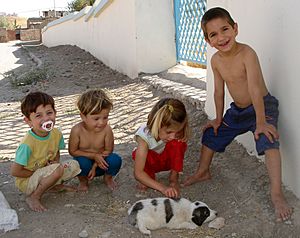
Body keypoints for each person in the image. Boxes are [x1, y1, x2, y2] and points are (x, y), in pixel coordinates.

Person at [183, 7, 293, 221]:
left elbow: (254, 89)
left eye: (225, 29)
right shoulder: (216, 61)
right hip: (239, 111)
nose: (221, 37)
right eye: (213, 34)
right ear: (207, 40)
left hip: (262, 105)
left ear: (235, 29)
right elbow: (218, 91)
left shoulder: (247, 53)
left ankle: (276, 193)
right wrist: (217, 118)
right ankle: (203, 171)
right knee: (211, 134)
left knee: (267, 139)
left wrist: (260, 122)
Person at [10, 92, 81, 212]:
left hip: (45, 171)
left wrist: (55, 163)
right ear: (28, 121)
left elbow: (56, 152)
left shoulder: (56, 133)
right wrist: (41, 172)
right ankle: (34, 196)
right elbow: (15, 171)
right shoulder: (27, 144)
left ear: (55, 113)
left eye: (49, 113)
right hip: (27, 181)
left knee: (74, 165)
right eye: (38, 116)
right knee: (57, 169)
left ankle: (52, 185)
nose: (46, 118)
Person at [132, 98, 189, 198]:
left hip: (167, 161)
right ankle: (149, 178)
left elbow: (178, 146)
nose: (172, 136)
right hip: (152, 163)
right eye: (169, 132)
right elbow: (138, 173)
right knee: (138, 156)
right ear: (156, 126)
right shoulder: (143, 138)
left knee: (178, 143)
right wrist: (163, 188)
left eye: (177, 131)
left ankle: (173, 177)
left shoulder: (174, 134)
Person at [69, 89, 122, 192]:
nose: (101, 122)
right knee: (80, 163)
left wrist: (95, 165)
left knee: (115, 160)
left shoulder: (107, 130)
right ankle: (83, 181)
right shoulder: (77, 130)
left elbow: (108, 151)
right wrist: (94, 156)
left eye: (105, 117)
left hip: (102, 164)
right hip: (85, 165)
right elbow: (73, 151)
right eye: (96, 119)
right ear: (83, 116)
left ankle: (108, 178)